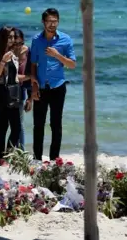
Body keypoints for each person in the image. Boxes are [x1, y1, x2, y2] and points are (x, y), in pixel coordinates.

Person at [30, 8, 76, 161]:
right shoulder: (36, 40)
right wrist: (34, 87)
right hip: (41, 87)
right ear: (43, 22)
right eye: (49, 21)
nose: (52, 24)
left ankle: (54, 159)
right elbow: (33, 65)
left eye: (55, 21)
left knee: (56, 125)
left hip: (58, 87)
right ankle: (37, 159)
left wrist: (57, 55)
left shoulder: (66, 39)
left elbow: (72, 64)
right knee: (38, 125)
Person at [0, 26, 22, 165]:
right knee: (2, 125)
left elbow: (14, 76)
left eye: (13, 37)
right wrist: (3, 61)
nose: (12, 40)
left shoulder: (13, 52)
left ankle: (7, 155)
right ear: (3, 37)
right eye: (9, 37)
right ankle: (2, 157)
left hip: (13, 92)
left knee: (17, 127)